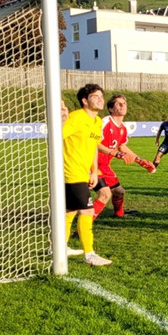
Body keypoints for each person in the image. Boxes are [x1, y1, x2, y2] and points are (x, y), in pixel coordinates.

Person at [62, 84, 111, 266]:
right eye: (95, 96)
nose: (100, 98)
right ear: (84, 100)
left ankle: (61, 246)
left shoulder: (97, 122)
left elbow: (93, 148)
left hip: (85, 172)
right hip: (71, 172)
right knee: (87, 211)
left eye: (101, 96)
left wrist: (94, 171)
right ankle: (89, 254)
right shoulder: (75, 117)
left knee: (70, 211)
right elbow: (56, 137)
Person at [92, 94, 156, 219]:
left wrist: (141, 161)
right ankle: (82, 229)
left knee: (118, 191)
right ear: (110, 109)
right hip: (91, 164)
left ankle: (119, 214)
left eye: (124, 103)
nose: (123, 105)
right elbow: (94, 143)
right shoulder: (105, 122)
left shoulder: (123, 128)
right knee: (104, 194)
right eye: (118, 104)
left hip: (104, 166)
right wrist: (114, 153)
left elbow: (122, 147)